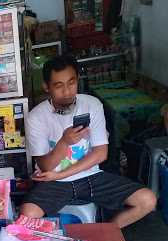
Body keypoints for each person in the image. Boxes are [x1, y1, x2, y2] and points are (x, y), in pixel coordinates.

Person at [21, 55, 156, 228]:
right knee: (27, 215)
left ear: (77, 80)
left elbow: (101, 153)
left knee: (147, 200)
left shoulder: (92, 104)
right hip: (54, 182)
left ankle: (106, 231)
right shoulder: (36, 117)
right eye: (58, 86)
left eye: (71, 83)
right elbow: (46, 167)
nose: (67, 91)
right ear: (46, 87)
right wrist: (64, 142)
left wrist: (61, 173)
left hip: (91, 175)